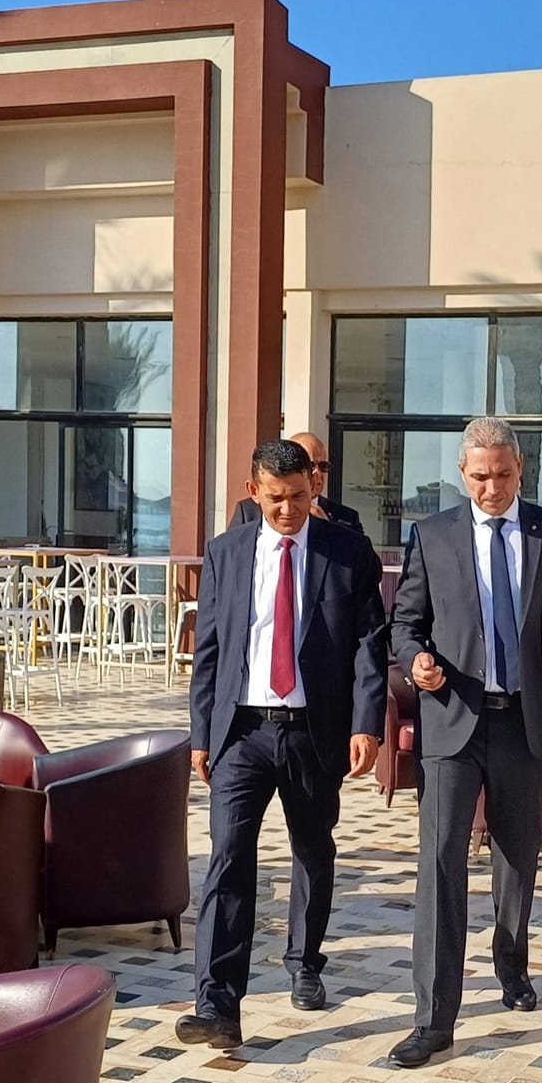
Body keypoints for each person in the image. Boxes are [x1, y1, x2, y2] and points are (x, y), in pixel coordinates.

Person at [180, 440, 389, 1049]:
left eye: (299, 495)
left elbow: (368, 645)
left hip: (313, 729)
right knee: (227, 858)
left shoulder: (347, 551)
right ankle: (217, 1004)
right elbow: (209, 648)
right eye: (276, 498)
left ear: (313, 487)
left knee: (311, 849)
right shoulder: (226, 553)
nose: (288, 509)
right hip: (241, 732)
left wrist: (366, 723)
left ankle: (304, 962)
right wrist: (201, 732)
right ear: (254, 492)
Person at [387, 417, 542, 1067]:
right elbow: (405, 623)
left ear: (521, 468)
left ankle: (512, 963)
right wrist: (415, 660)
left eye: (502, 475)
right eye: (479, 477)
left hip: (526, 721)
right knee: (441, 862)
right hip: (452, 718)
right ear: (461, 474)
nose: (491, 488)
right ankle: (433, 1017)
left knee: (517, 854)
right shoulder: (433, 535)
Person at [231, 431, 363, 533]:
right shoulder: (248, 510)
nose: (317, 472)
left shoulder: (346, 517)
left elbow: (361, 556)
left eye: (323, 466)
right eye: (310, 465)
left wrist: (328, 528)